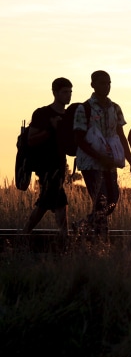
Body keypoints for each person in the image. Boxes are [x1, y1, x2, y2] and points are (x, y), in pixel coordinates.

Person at [73, 70, 131, 236]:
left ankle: (82, 225)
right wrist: (98, 156)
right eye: (103, 83)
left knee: (112, 200)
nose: (106, 86)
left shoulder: (115, 108)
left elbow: (121, 136)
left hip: (109, 163)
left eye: (109, 83)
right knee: (101, 201)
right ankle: (102, 237)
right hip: (91, 163)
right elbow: (79, 139)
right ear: (93, 85)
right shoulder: (84, 108)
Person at [22, 77, 73, 238]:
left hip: (59, 163)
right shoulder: (42, 113)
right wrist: (51, 129)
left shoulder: (68, 116)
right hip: (44, 164)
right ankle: (63, 237)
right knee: (55, 199)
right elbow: (31, 140)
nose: (68, 95)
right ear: (55, 92)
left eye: (70, 92)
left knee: (52, 201)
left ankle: (25, 235)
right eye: (65, 92)